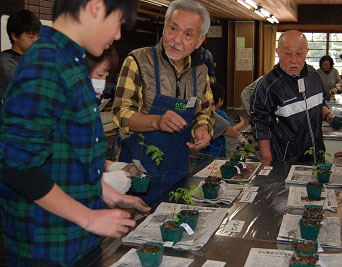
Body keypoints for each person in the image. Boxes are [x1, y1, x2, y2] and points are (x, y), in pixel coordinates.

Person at [0, 0, 151, 265]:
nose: (117, 35)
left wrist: (110, 195)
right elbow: (16, 166)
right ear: (95, 7)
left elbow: (67, 157)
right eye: (118, 23)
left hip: (76, 241)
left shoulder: (72, 63)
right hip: (47, 247)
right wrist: (90, 217)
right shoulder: (46, 64)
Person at [112, 0, 215, 205]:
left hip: (178, 169)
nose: (176, 40)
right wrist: (156, 122)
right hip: (137, 172)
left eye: (188, 34)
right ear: (165, 27)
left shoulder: (200, 72)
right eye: (172, 29)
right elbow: (121, 113)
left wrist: (203, 129)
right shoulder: (138, 61)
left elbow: (205, 111)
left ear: (200, 40)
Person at [250, 30, 333, 166]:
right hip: (286, 158)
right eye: (287, 54)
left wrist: (329, 116)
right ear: (277, 52)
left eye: (299, 54)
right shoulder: (268, 86)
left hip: (316, 152)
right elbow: (260, 123)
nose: (293, 60)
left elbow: (320, 103)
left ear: (307, 52)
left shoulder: (313, 75)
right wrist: (267, 158)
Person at [0, 10, 41, 107]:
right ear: (15, 36)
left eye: (38, 36)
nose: (36, 40)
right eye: (31, 36)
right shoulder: (5, 62)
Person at [200, 83, 245, 157]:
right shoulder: (221, 114)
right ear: (220, 100)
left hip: (201, 150)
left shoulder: (202, 112)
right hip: (217, 151)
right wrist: (242, 123)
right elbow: (228, 130)